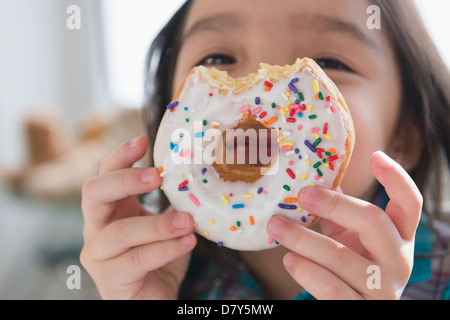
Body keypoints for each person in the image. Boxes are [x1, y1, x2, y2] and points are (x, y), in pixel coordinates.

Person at [80, 0, 450, 300]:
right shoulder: (168, 277)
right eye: (217, 59)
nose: (261, 84)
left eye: (327, 64)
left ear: (405, 139)